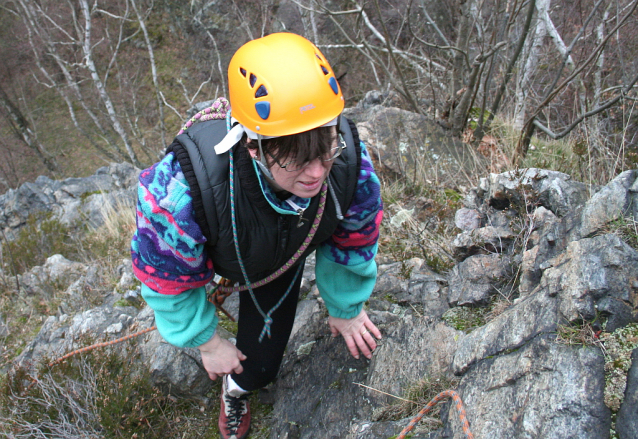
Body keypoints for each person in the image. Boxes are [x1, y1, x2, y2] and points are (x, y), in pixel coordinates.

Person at [131, 32, 383, 439]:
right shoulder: (182, 189)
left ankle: (238, 391)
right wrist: (208, 342)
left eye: (324, 148)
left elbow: (355, 237)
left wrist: (346, 307)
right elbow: (166, 277)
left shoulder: (349, 162)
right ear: (252, 145)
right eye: (297, 158)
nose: (317, 172)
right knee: (228, 350)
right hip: (222, 248)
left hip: (281, 258)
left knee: (259, 368)